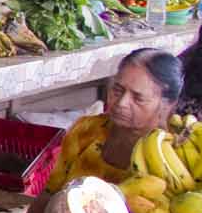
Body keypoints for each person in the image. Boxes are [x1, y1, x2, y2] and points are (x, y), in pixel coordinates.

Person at [45, 49, 182, 193]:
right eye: (117, 90)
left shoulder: (176, 157)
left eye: (138, 97)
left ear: (167, 105)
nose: (122, 103)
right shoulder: (86, 129)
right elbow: (49, 192)